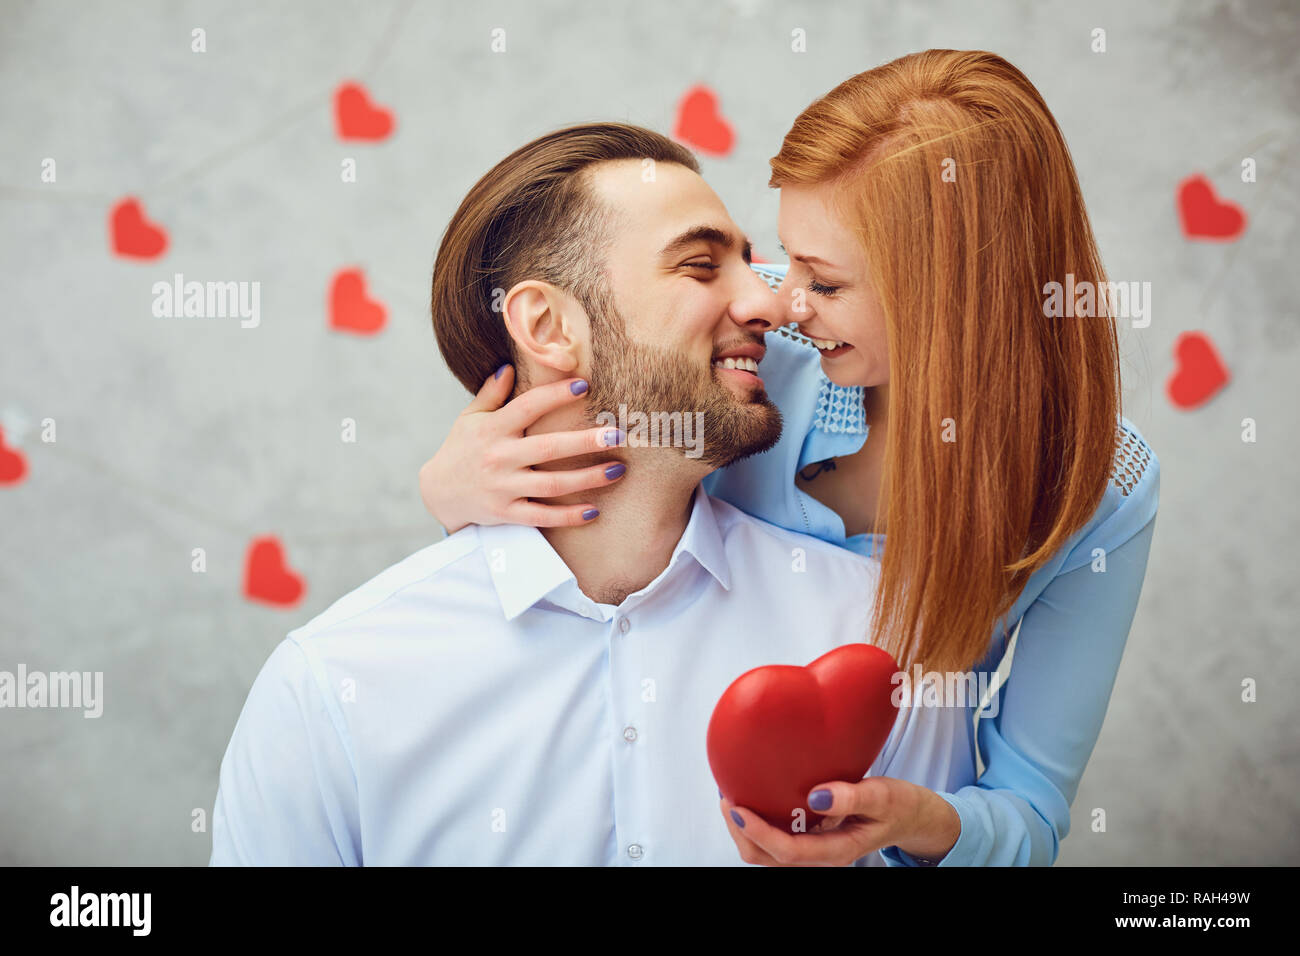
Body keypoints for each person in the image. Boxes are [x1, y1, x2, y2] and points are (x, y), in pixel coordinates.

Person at [418, 50, 1160, 866]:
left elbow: (1032, 810)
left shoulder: (1096, 490)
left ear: (951, 300)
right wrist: (452, 480)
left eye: (826, 283)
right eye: (783, 259)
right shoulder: (751, 343)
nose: (778, 301)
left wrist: (916, 822)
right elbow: (597, 354)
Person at [209, 122, 975, 866]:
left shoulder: (880, 631)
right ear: (546, 326)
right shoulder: (331, 686)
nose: (773, 306)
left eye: (755, 266)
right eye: (702, 267)